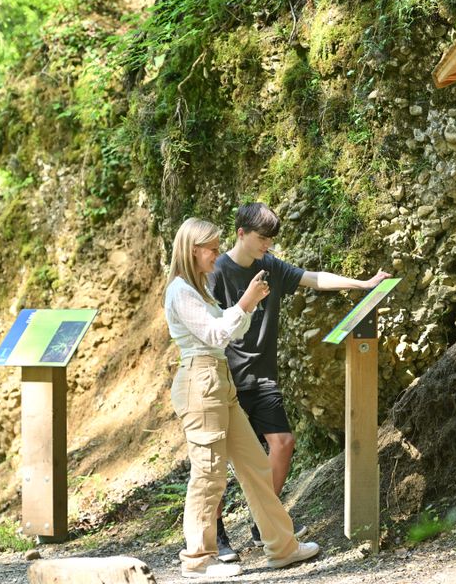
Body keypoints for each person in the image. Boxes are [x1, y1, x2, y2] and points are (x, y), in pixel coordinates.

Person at [210, 202, 391, 561]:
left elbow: (313, 278)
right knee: (216, 462)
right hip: (226, 379)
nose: (267, 246)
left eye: (270, 240)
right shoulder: (216, 272)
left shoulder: (270, 266)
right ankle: (216, 535)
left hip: (262, 379)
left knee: (283, 443)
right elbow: (208, 328)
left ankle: (265, 524)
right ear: (241, 233)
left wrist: (363, 284)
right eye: (262, 239)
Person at [164, 217, 320, 579]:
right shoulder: (180, 291)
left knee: (256, 466)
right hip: (201, 382)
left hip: (220, 381)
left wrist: (247, 306)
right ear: (193, 250)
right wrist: (246, 302)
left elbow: (231, 330)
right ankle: (198, 560)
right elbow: (216, 334)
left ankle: (282, 546)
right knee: (208, 473)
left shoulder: (198, 289)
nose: (216, 255)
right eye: (212, 249)